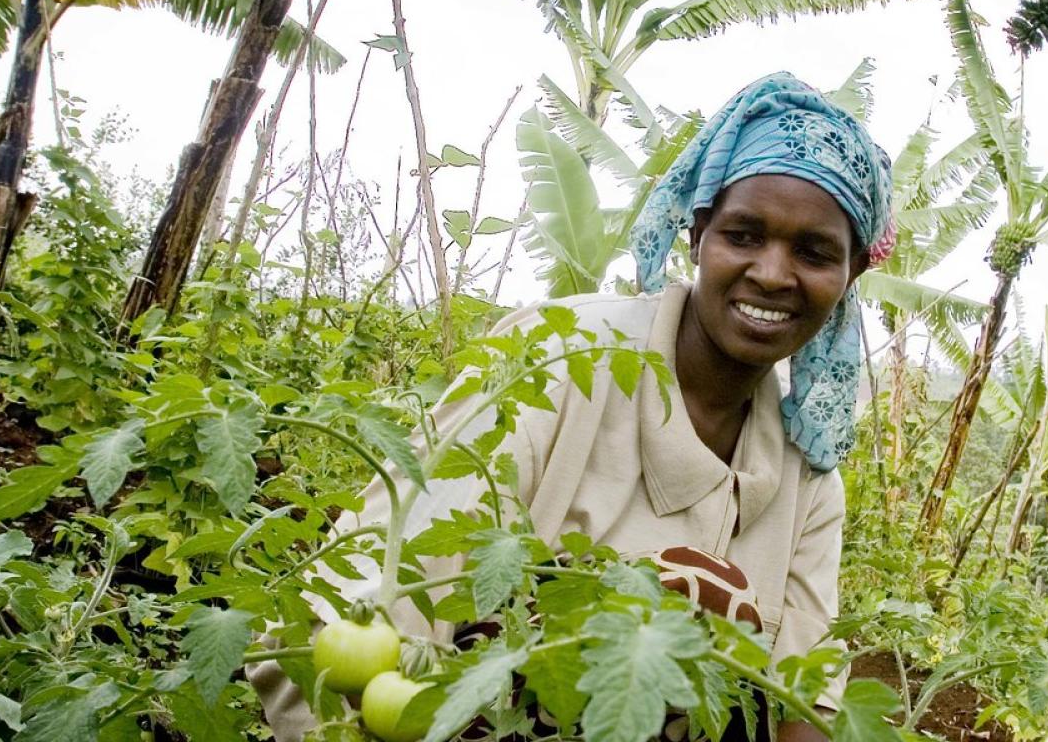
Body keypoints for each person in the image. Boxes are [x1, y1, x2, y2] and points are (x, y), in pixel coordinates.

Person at [250, 72, 893, 741]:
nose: (771, 272)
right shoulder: (559, 357)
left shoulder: (807, 478)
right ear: (699, 233)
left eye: (815, 253)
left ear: (849, 277)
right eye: (744, 235)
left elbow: (803, 702)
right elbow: (362, 610)